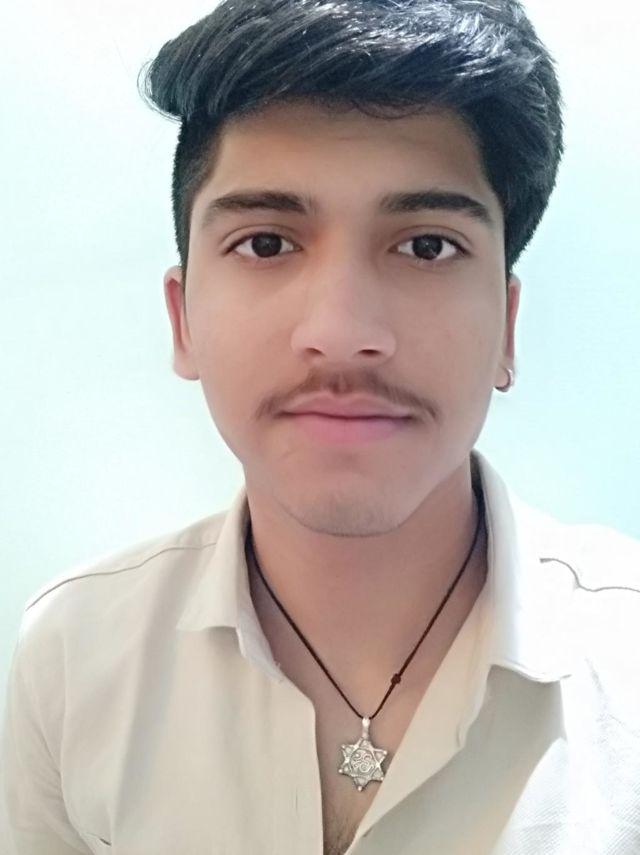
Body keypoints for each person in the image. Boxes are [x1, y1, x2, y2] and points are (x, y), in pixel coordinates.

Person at [2, 0, 639, 852]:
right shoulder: (73, 655)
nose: (340, 331)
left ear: (507, 328)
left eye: (426, 246)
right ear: (183, 320)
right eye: (266, 243)